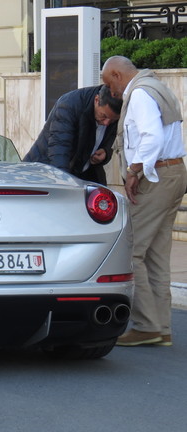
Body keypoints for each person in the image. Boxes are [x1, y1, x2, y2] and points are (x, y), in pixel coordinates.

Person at [101, 55, 187, 347]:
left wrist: (134, 170)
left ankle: (148, 325)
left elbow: (151, 138)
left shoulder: (139, 94)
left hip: (157, 176)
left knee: (132, 250)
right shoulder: (156, 86)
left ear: (116, 73)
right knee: (156, 255)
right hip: (174, 172)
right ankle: (161, 327)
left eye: (108, 82)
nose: (110, 92)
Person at [23, 85, 122, 185]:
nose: (106, 123)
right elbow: (59, 149)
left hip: (83, 174)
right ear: (96, 100)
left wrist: (106, 152)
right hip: (43, 173)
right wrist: (64, 184)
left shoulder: (111, 109)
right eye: (103, 116)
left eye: (113, 120)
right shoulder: (68, 105)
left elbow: (110, 139)